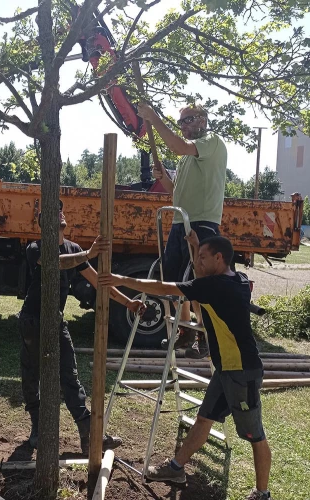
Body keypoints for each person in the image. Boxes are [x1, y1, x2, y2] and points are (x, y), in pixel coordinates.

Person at [98, 232, 272, 500]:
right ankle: (176, 468)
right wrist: (194, 248)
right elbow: (201, 280)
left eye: (203, 258)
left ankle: (263, 493)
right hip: (226, 369)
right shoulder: (235, 279)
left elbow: (166, 288)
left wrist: (120, 280)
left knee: (255, 434)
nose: (198, 262)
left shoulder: (216, 287)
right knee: (204, 419)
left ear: (219, 258)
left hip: (241, 373)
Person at [18, 201, 142, 455]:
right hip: (33, 319)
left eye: (61, 209)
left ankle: (87, 433)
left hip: (56, 319)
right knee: (32, 374)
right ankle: (38, 428)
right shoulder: (35, 247)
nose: (60, 212)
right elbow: (55, 263)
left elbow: (99, 281)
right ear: (44, 223)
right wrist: (88, 254)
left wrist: (128, 302)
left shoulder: (74, 248)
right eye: (54, 211)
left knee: (70, 375)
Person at [137, 102, 228, 357]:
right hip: (181, 221)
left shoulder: (211, 141)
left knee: (199, 281)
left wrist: (153, 118)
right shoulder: (188, 158)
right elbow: (175, 193)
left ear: (202, 120)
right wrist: (163, 177)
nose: (184, 127)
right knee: (175, 281)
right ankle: (186, 330)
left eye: (187, 120)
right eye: (181, 123)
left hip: (202, 223)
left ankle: (203, 334)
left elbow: (177, 145)